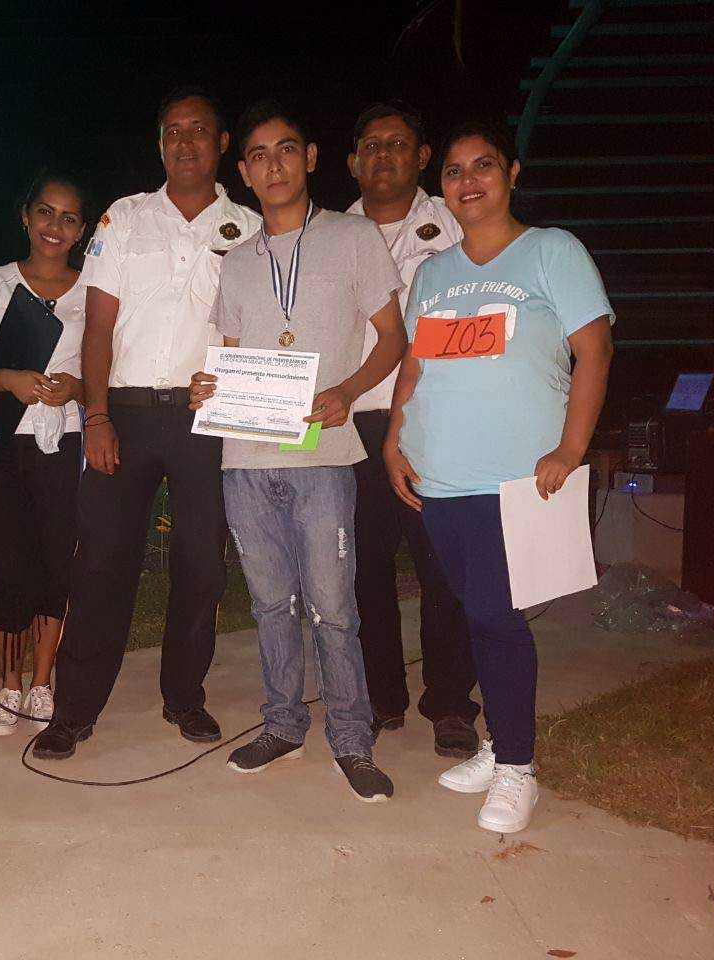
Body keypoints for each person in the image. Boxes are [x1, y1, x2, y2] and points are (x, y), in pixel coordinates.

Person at [384, 119, 613, 832]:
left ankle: (517, 764)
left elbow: (595, 351)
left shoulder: (551, 251)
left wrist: (570, 449)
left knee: (494, 616)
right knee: (476, 614)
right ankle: (501, 742)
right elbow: (414, 366)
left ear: (512, 173)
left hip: (516, 481)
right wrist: (394, 438)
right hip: (441, 479)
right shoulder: (433, 274)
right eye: (454, 171)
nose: (468, 181)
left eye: (483, 165)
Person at [32, 87, 261, 760]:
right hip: (125, 414)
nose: (185, 142)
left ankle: (184, 696)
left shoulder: (249, 228)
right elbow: (99, 326)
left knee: (201, 565)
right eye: (172, 131)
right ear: (159, 144)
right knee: (102, 562)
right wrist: (97, 414)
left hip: (206, 420)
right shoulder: (126, 217)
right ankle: (74, 709)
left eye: (199, 129)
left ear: (222, 143)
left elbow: (255, 333)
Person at [189, 99, 407, 802]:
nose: (273, 165)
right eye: (258, 155)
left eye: (286, 149)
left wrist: (347, 391)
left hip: (324, 456)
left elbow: (394, 338)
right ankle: (282, 725)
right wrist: (207, 386)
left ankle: (352, 738)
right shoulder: (237, 261)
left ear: (310, 158)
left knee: (334, 608)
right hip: (246, 462)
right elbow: (229, 354)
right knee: (269, 604)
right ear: (244, 172)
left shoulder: (353, 237)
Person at [345, 101, 480, 758]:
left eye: (397, 144)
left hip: (434, 421)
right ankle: (381, 697)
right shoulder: (329, 234)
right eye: (371, 146)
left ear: (423, 156)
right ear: (352, 162)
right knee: (363, 572)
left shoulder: (456, 225)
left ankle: (450, 703)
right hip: (353, 426)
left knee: (444, 570)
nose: (383, 156)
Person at [0, 173, 88, 736]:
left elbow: (104, 370)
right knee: (7, 562)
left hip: (63, 440)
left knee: (57, 561)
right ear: (25, 217)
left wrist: (76, 388)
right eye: (45, 212)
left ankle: (42, 683)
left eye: (68, 217)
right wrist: (8, 378)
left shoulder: (94, 290)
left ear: (81, 231)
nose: (54, 226)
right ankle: (8, 685)